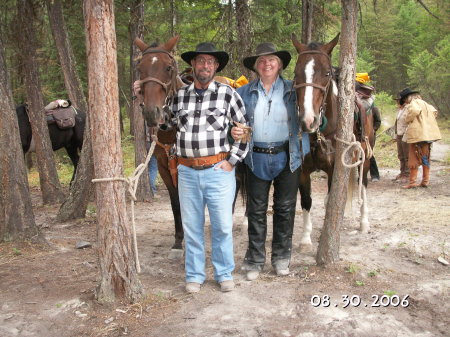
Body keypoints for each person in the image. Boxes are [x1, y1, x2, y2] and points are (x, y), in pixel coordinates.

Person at [173, 42, 249, 293]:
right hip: (186, 171)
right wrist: (143, 98)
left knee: (222, 225)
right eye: (200, 61)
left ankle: (224, 272)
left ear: (216, 66)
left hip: (218, 170)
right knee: (192, 227)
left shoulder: (228, 94)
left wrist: (232, 161)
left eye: (210, 62)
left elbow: (245, 131)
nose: (205, 65)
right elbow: (164, 126)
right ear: (192, 65)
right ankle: (194, 275)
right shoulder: (179, 96)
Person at [232, 42, 309, 281]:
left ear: (280, 65)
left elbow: (313, 112)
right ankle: (255, 259)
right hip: (255, 156)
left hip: (288, 155)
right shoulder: (243, 93)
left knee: (285, 209)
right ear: (256, 66)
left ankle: (281, 258)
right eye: (262, 61)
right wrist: (233, 133)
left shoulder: (294, 90)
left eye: (272, 60)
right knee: (255, 210)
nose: (267, 64)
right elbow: (235, 124)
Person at [399, 88, 441, 188]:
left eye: (405, 100)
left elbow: (415, 110)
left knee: (413, 157)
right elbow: (434, 112)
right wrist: (426, 122)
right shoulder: (425, 103)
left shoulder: (413, 103)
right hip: (427, 134)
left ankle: (412, 182)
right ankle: (425, 181)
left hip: (417, 135)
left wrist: (408, 119)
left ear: (407, 98)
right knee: (425, 157)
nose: (405, 102)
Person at [355, 73, 381, 181]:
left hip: (368, 133)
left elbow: (377, 120)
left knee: (368, 154)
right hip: (366, 131)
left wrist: (373, 130)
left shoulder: (370, 104)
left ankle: (375, 175)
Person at [393, 97, 409, 182]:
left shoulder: (408, 108)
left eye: (399, 100)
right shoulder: (399, 110)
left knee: (407, 155)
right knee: (400, 155)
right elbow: (397, 123)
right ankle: (402, 172)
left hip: (405, 134)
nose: (397, 102)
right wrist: (396, 134)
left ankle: (407, 174)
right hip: (399, 134)